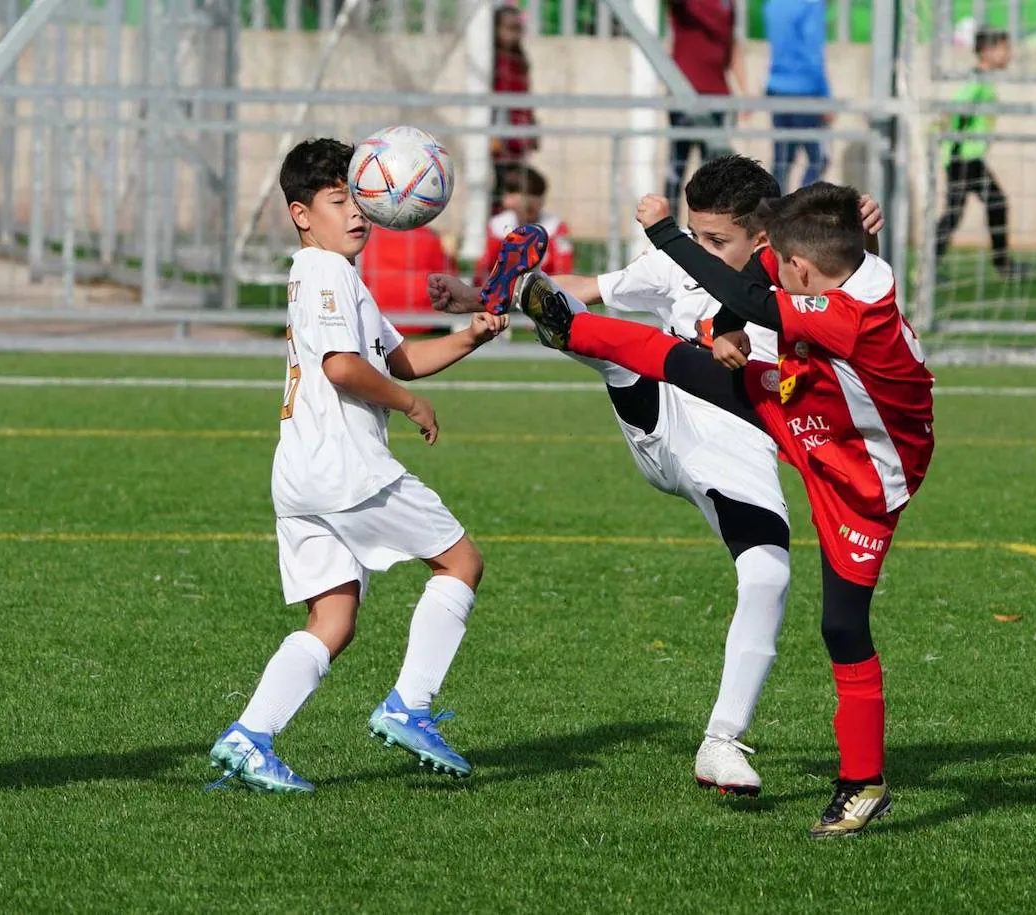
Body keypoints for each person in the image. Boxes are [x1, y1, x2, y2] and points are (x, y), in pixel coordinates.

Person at [431, 156, 885, 799]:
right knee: (617, 347)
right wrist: (483, 298)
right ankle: (558, 322)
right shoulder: (678, 263)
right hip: (660, 417)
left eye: (715, 241)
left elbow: (850, 285)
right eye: (694, 236)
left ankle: (721, 744)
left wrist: (862, 235)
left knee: (768, 574)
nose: (698, 252)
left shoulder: (794, 278)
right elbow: (591, 283)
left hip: (739, 447)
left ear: (764, 239)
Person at [207, 138, 509, 794]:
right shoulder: (327, 272)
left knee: (333, 619)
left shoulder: (335, 276)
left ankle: (250, 736)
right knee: (461, 562)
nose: (357, 213)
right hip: (346, 468)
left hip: (300, 474)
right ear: (300, 213)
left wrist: (471, 334)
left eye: (362, 199)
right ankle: (411, 704)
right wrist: (409, 406)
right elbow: (345, 368)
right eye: (340, 200)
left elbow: (399, 358)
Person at [934, 27, 1029, 279]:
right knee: (960, 212)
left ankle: (1002, 264)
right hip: (963, 159)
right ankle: (929, 266)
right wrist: (949, 138)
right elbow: (953, 110)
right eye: (1004, 48)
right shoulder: (977, 80)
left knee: (991, 204)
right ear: (987, 52)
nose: (1009, 54)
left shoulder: (983, 79)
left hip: (970, 158)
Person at [665, 0, 750, 218]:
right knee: (677, 167)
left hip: (718, 98)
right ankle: (667, 236)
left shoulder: (728, 4)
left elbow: (732, 47)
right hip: (684, 95)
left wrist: (745, 92)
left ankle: (706, 235)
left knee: (713, 175)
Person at [764, 0, 832, 191]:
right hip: (805, 90)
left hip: (777, 87)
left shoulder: (773, 5)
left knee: (782, 160)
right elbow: (813, 54)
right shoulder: (811, 5)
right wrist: (826, 97)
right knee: (819, 159)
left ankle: (775, 215)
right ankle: (802, 209)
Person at [473, 166, 573, 285]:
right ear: (507, 198)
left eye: (535, 194)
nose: (530, 201)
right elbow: (484, 270)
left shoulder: (555, 228)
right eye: (524, 193)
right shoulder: (498, 227)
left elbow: (564, 269)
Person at [360, 224, 455, 334]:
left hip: (380, 315)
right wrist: (451, 256)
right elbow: (446, 275)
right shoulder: (427, 235)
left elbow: (364, 277)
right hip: (424, 317)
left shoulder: (369, 235)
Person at [490, 3, 537, 214]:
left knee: (517, 187)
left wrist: (532, 127)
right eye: (509, 28)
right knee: (499, 187)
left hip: (518, 135)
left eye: (518, 29)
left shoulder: (519, 59)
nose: (514, 35)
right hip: (499, 136)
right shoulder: (493, 59)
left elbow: (524, 97)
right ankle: (494, 229)